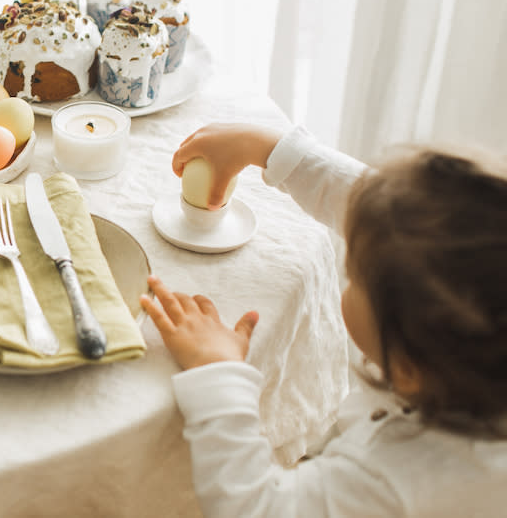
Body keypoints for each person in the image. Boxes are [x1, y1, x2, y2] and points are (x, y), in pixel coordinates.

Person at [140, 123, 507, 517]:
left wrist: (218, 370)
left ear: (408, 368)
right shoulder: (472, 344)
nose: (347, 274)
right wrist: (271, 150)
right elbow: (382, 217)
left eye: (355, 274)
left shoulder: (395, 484)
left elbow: (258, 509)